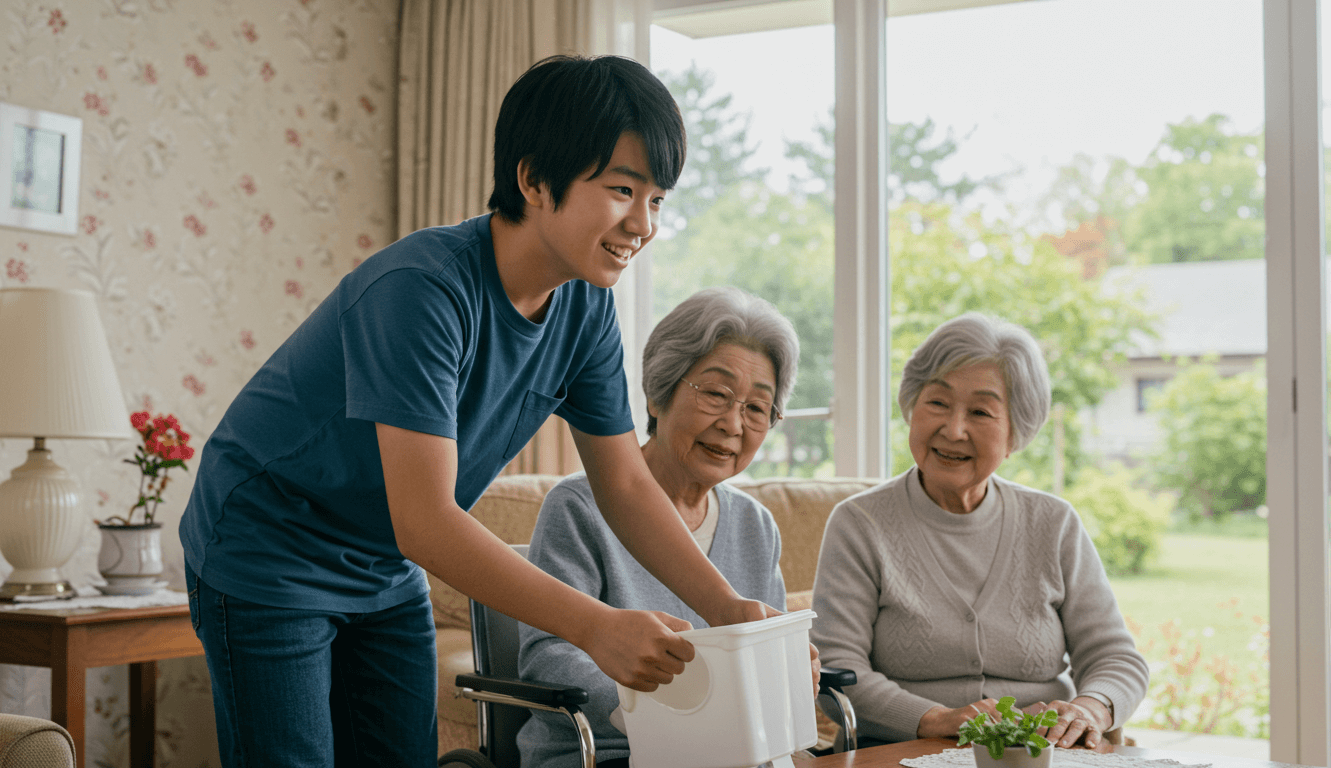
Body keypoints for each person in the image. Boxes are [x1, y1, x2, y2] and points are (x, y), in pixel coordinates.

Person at [178, 55, 773, 768]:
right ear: (534, 180)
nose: (642, 224)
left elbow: (624, 483)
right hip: (269, 545)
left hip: (382, 561)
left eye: (658, 200)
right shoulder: (421, 291)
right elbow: (426, 520)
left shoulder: (585, 309)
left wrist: (728, 609)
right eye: (622, 189)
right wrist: (596, 627)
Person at [810, 313, 1149, 752]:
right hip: (901, 752)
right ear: (912, 407)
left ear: (1015, 434)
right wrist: (934, 719)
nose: (953, 430)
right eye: (937, 403)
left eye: (980, 412)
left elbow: (1115, 657)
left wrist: (1090, 708)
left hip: (1038, 753)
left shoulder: (1053, 523)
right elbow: (837, 667)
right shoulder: (860, 523)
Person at [517, 286, 815, 768]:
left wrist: (791, 673)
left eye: (757, 408)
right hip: (608, 754)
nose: (733, 424)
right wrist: (675, 705)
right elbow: (547, 660)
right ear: (658, 394)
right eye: (716, 394)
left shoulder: (755, 524)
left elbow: (762, 658)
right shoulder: (579, 506)